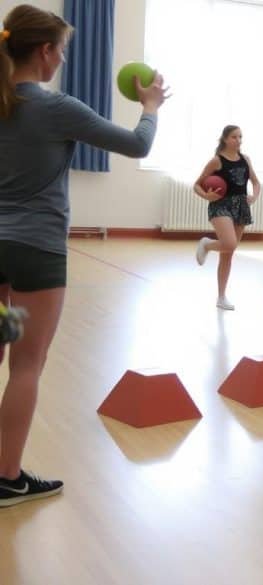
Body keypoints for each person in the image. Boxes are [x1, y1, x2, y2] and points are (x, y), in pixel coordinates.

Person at [0, 4, 167, 506]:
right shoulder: (56, 108)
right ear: (46, 52)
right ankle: (6, 477)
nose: (63, 61)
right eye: (63, 51)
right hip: (35, 252)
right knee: (26, 366)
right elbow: (137, 145)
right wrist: (152, 106)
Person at [193, 125, 261, 310]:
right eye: (234, 137)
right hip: (221, 205)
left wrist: (254, 196)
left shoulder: (246, 159)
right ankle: (207, 244)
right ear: (224, 139)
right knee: (229, 243)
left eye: (240, 137)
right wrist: (206, 196)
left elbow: (255, 182)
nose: (238, 140)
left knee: (228, 253)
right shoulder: (216, 161)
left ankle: (221, 296)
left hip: (241, 206)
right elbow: (197, 185)